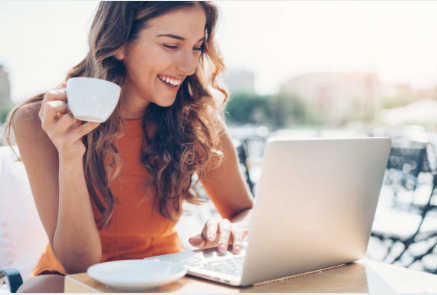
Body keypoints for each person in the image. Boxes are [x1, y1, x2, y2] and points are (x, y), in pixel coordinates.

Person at [4, 1, 254, 292]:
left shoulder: (195, 119)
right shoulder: (40, 120)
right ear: (119, 43)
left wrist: (231, 229)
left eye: (197, 47)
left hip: (167, 275)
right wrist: (70, 155)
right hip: (75, 281)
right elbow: (78, 264)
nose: (188, 65)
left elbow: (244, 210)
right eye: (171, 46)